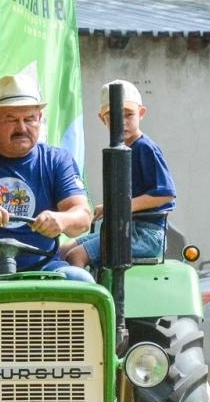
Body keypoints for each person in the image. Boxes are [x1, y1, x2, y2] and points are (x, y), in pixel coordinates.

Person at [0, 72, 96, 304]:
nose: (22, 128)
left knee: (83, 284)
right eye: (11, 119)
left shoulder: (57, 161)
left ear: (40, 118)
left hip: (43, 270)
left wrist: (61, 220)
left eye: (29, 119)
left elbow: (82, 216)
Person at [63, 80, 176, 269]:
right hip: (125, 229)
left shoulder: (145, 148)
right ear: (103, 119)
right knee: (63, 250)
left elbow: (165, 193)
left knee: (76, 256)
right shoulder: (121, 150)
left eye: (129, 115)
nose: (122, 122)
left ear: (141, 113)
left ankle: (91, 289)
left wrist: (119, 206)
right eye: (114, 116)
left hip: (147, 234)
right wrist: (110, 207)